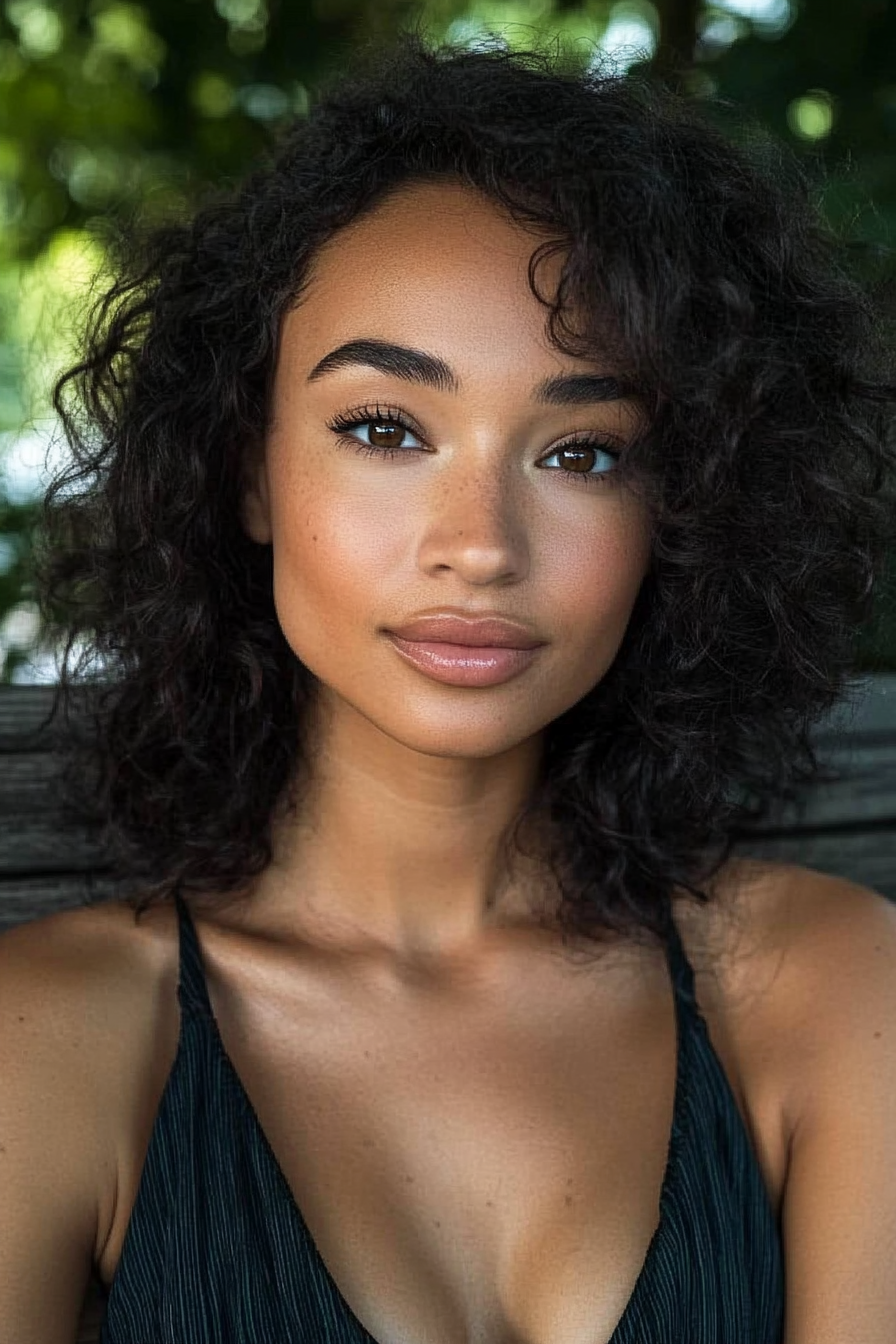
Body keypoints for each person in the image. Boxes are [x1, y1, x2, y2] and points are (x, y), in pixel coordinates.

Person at [2, 28, 896, 1344]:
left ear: (685, 503)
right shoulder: (51, 1045)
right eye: (384, 428)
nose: (478, 542)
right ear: (247, 468)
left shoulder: (832, 991)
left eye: (583, 452)